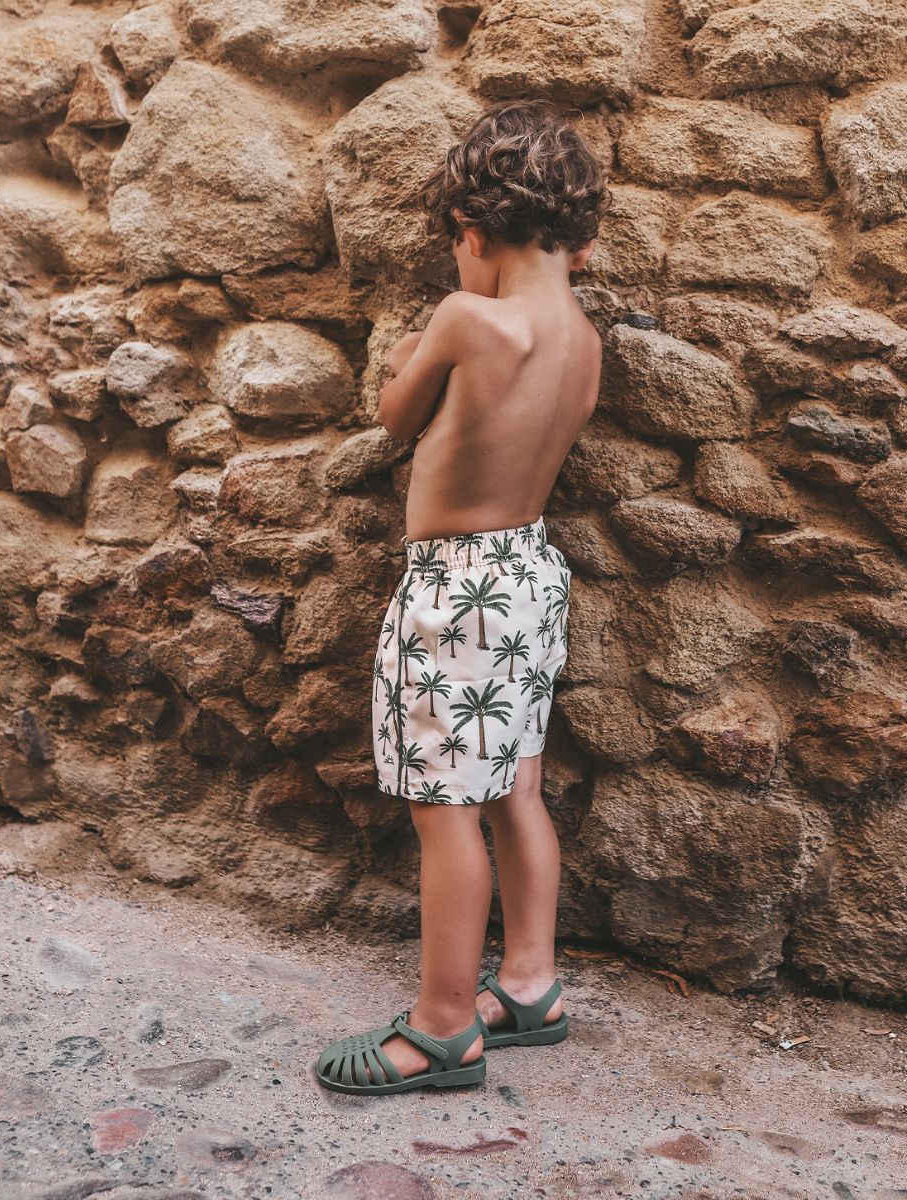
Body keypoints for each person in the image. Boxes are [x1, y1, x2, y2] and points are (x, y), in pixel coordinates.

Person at [314, 98, 609, 1095]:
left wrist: (410, 357)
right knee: (517, 790)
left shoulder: (464, 318)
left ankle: (443, 1027)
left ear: (470, 234)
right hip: (531, 578)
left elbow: (396, 416)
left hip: (457, 594)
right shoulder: (584, 341)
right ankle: (529, 985)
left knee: (445, 811)